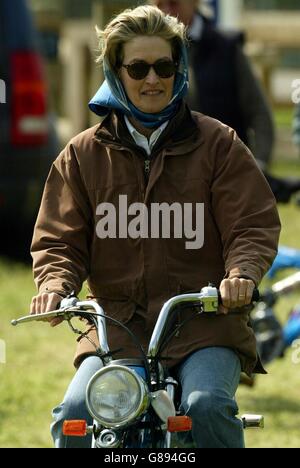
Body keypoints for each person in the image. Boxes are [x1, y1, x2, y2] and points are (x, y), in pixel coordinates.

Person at [30, 6, 280, 449]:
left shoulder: (219, 145)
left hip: (205, 326)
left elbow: (251, 224)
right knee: (74, 415)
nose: (152, 80)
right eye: (138, 67)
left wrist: (241, 275)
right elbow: (59, 240)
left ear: (179, 70)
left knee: (205, 405)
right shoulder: (82, 156)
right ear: (115, 71)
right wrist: (54, 284)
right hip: (117, 331)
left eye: (164, 66)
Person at [150, 0, 275, 170]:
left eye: (173, 4)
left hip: (228, 170)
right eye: (159, 5)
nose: (165, 11)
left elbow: (259, 113)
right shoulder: (146, 53)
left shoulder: (227, 48)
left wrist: (258, 166)